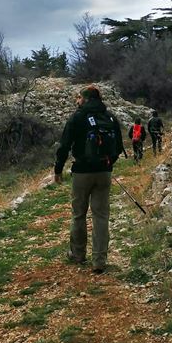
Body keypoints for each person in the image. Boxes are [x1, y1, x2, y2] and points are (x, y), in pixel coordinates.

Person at [54, 85, 124, 274]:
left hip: (82, 172)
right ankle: (99, 261)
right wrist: (108, 164)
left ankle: (78, 255)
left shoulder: (78, 117)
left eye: (78, 98)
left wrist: (58, 169)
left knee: (79, 214)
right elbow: (118, 146)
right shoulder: (109, 117)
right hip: (104, 172)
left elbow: (64, 145)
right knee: (101, 216)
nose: (77, 101)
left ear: (84, 99)